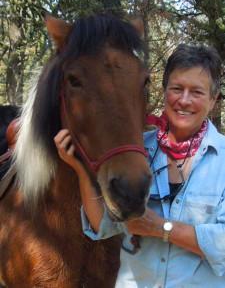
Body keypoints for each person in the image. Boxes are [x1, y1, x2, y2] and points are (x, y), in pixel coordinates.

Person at [54, 44, 225, 287]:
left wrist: (160, 228)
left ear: (213, 100)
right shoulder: (136, 152)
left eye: (196, 92)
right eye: (176, 88)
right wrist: (79, 167)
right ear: (164, 91)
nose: (184, 100)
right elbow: (103, 225)